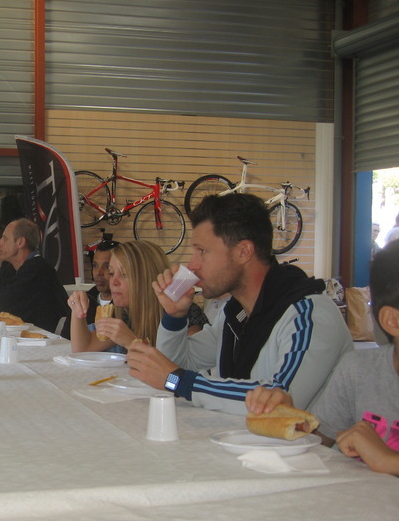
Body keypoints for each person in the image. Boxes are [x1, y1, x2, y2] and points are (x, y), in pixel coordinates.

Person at [126, 192, 352, 415]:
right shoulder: (234, 313)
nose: (192, 265)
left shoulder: (309, 315)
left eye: (202, 251)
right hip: (241, 437)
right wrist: (174, 317)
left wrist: (178, 381)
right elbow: (178, 366)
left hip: (305, 440)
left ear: (244, 251)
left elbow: (279, 399)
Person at [248, 240, 399, 475]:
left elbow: (383, 460)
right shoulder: (358, 371)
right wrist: (288, 418)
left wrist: (387, 460)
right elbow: (317, 442)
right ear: (393, 321)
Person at [69, 241, 207, 353]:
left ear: (147, 279)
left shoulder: (184, 315)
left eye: (124, 274)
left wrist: (132, 342)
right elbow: (83, 348)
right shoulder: (125, 313)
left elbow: (179, 371)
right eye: (111, 273)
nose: (113, 282)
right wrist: (78, 311)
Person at [0, 218, 70, 335]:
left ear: (20, 242)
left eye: (4, 239)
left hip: (48, 339)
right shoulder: (15, 268)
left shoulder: (37, 269)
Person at [84, 238, 117, 325]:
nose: (99, 272)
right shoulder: (84, 302)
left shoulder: (128, 308)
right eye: (95, 266)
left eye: (107, 266)